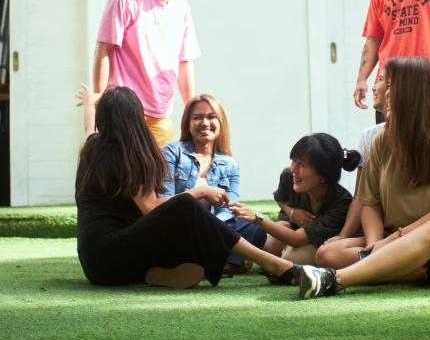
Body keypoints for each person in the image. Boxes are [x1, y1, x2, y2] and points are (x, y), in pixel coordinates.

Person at [300, 56, 430, 298]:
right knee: (327, 254)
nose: (383, 91)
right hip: (395, 237)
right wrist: (375, 243)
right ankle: (429, 272)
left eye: (391, 85)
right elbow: (370, 202)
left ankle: (336, 280)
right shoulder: (382, 139)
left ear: (413, 93)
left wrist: (392, 240)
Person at [75, 85, 301, 289]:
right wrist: (199, 191)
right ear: (137, 117)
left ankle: (157, 274)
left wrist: (89, 102)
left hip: (95, 264)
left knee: (184, 214)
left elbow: (88, 126)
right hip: (113, 257)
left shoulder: (93, 146)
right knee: (184, 202)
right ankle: (272, 263)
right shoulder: (129, 158)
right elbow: (151, 208)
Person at [83, 0, 203, 147]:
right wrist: (100, 101)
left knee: (160, 178)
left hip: (161, 114)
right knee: (125, 176)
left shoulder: (182, 9)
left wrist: (190, 111)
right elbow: (103, 50)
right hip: (125, 111)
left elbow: (184, 62)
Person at [162, 94, 266, 274]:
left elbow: (229, 207)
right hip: (180, 227)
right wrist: (201, 192)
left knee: (254, 230)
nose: (205, 122)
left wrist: (212, 228)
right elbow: (165, 201)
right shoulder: (172, 152)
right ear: (188, 124)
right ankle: (225, 264)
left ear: (221, 122)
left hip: (216, 230)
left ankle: (202, 264)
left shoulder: (230, 165)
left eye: (211, 116)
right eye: (197, 117)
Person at [230, 133, 352, 265]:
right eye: (294, 160)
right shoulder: (288, 176)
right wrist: (291, 212)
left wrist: (257, 217)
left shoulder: (341, 203)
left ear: (323, 176)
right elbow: (280, 199)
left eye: (302, 164)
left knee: (290, 259)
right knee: (268, 248)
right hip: (292, 225)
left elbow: (298, 239)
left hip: (321, 239)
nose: (294, 169)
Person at [324, 71, 387, 253]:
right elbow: (362, 196)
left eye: (381, 80)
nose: (373, 86)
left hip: (414, 229)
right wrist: (344, 236)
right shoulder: (370, 136)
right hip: (380, 227)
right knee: (328, 254)